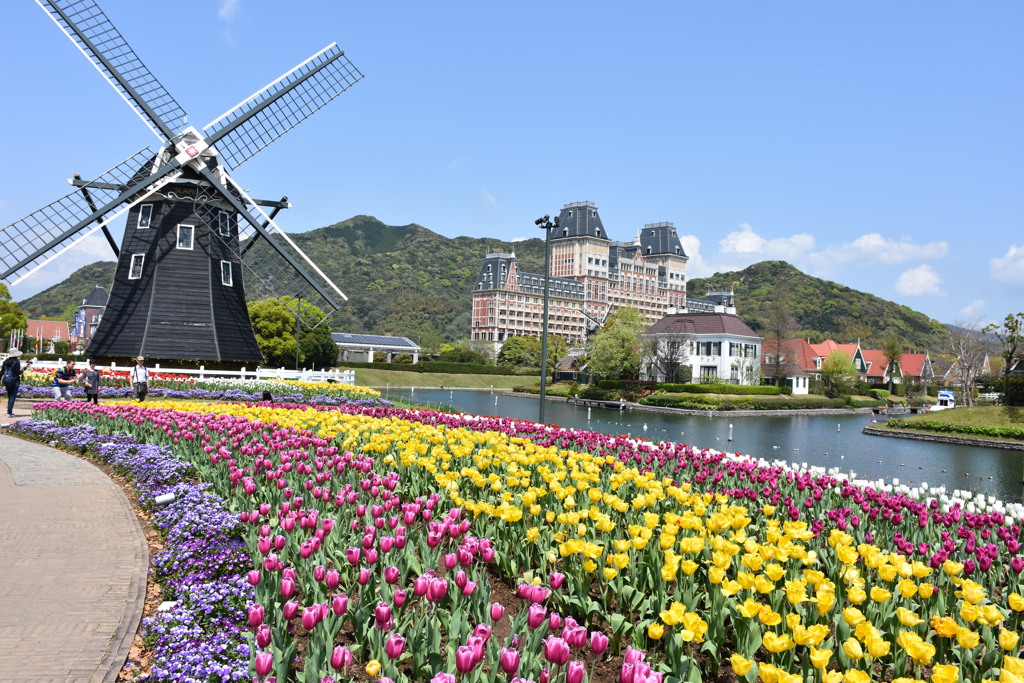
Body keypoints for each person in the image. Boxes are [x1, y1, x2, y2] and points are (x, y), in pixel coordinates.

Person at [2, 349, 30, 417]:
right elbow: (18, 372)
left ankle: (9, 411)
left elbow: (1, 372)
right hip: (14, 380)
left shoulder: (5, 362)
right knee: (12, 396)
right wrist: (25, 367)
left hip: (6, 380)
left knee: (9, 396)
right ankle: (9, 412)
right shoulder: (16, 362)